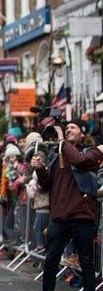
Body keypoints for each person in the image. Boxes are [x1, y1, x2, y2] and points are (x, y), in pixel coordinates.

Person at [32, 118, 103, 291]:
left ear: (82, 133)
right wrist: (40, 169)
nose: (68, 129)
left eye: (73, 127)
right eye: (67, 128)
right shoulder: (57, 156)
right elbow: (47, 184)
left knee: (86, 263)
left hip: (82, 217)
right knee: (50, 263)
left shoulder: (92, 152)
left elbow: (79, 160)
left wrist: (62, 141)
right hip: (60, 218)